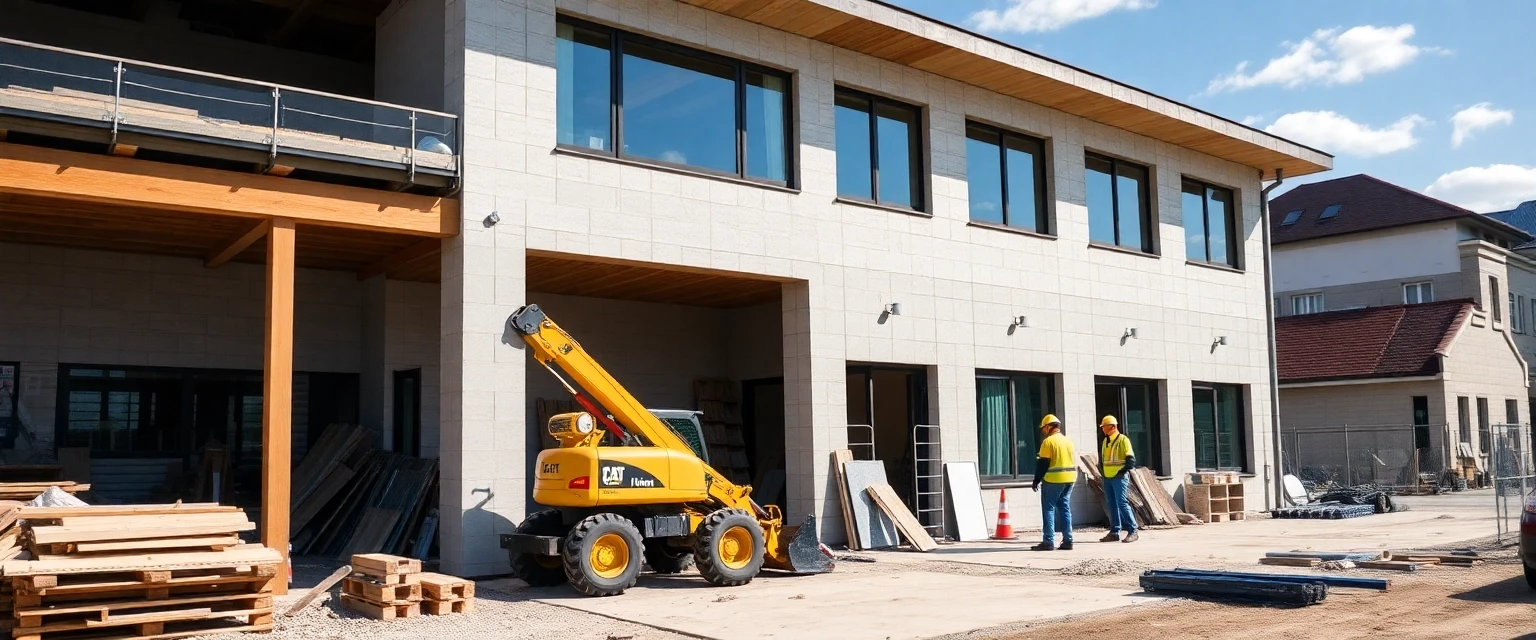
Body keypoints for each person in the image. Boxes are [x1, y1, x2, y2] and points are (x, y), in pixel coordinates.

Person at [1030, 414, 1076, 551]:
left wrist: (1036, 479)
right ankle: (1068, 541)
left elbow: (1043, 464)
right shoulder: (1068, 441)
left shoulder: (1048, 442)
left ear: (1049, 427)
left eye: (1044, 428)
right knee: (1065, 509)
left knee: (1048, 509)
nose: (1043, 430)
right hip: (1070, 479)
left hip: (1053, 480)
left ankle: (1048, 541)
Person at [1097, 415, 1139, 543]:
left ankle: (1133, 530)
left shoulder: (1123, 440)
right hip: (1108, 477)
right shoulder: (1105, 441)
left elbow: (1131, 460)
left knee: (1122, 503)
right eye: (1102, 427)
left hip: (1119, 477)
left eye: (1105, 427)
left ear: (1113, 427)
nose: (1103, 429)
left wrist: (1122, 471)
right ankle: (1115, 532)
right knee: (1112, 504)